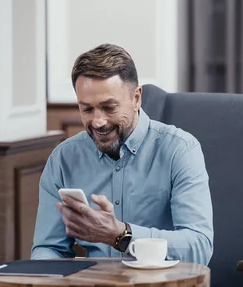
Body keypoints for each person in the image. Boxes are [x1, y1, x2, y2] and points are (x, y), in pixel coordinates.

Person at [31, 43, 214, 267]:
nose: (97, 122)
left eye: (109, 108)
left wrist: (122, 235)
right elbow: (49, 248)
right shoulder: (64, 159)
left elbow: (199, 248)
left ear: (136, 98)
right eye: (87, 109)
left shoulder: (180, 150)